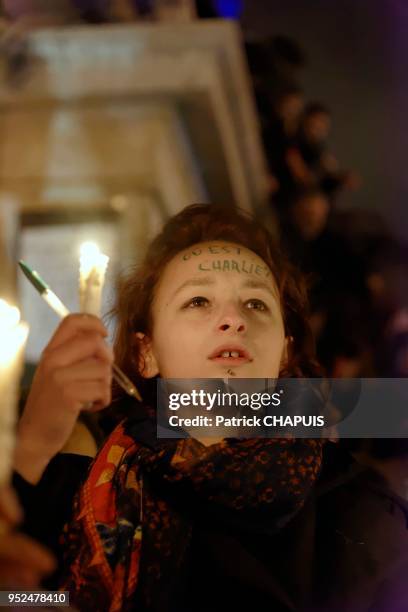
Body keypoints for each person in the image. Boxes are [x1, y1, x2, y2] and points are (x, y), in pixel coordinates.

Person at [13, 203, 323, 611]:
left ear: (285, 354)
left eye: (256, 304)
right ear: (146, 353)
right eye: (198, 301)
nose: (233, 319)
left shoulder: (350, 504)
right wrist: (32, 446)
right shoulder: (78, 483)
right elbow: (16, 595)